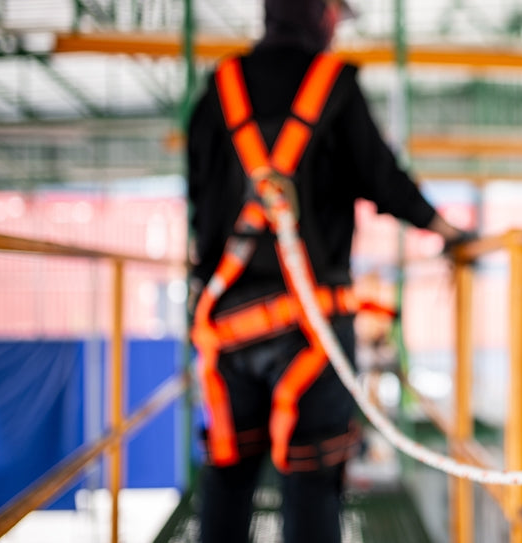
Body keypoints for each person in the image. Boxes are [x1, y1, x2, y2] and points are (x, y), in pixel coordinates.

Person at [185, 0, 470, 541]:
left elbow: (200, 196)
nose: (339, 24)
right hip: (310, 330)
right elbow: (383, 179)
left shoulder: (220, 87)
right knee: (312, 478)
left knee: (228, 471)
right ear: (316, 13)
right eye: (337, 12)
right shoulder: (332, 86)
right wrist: (447, 230)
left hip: (226, 326)